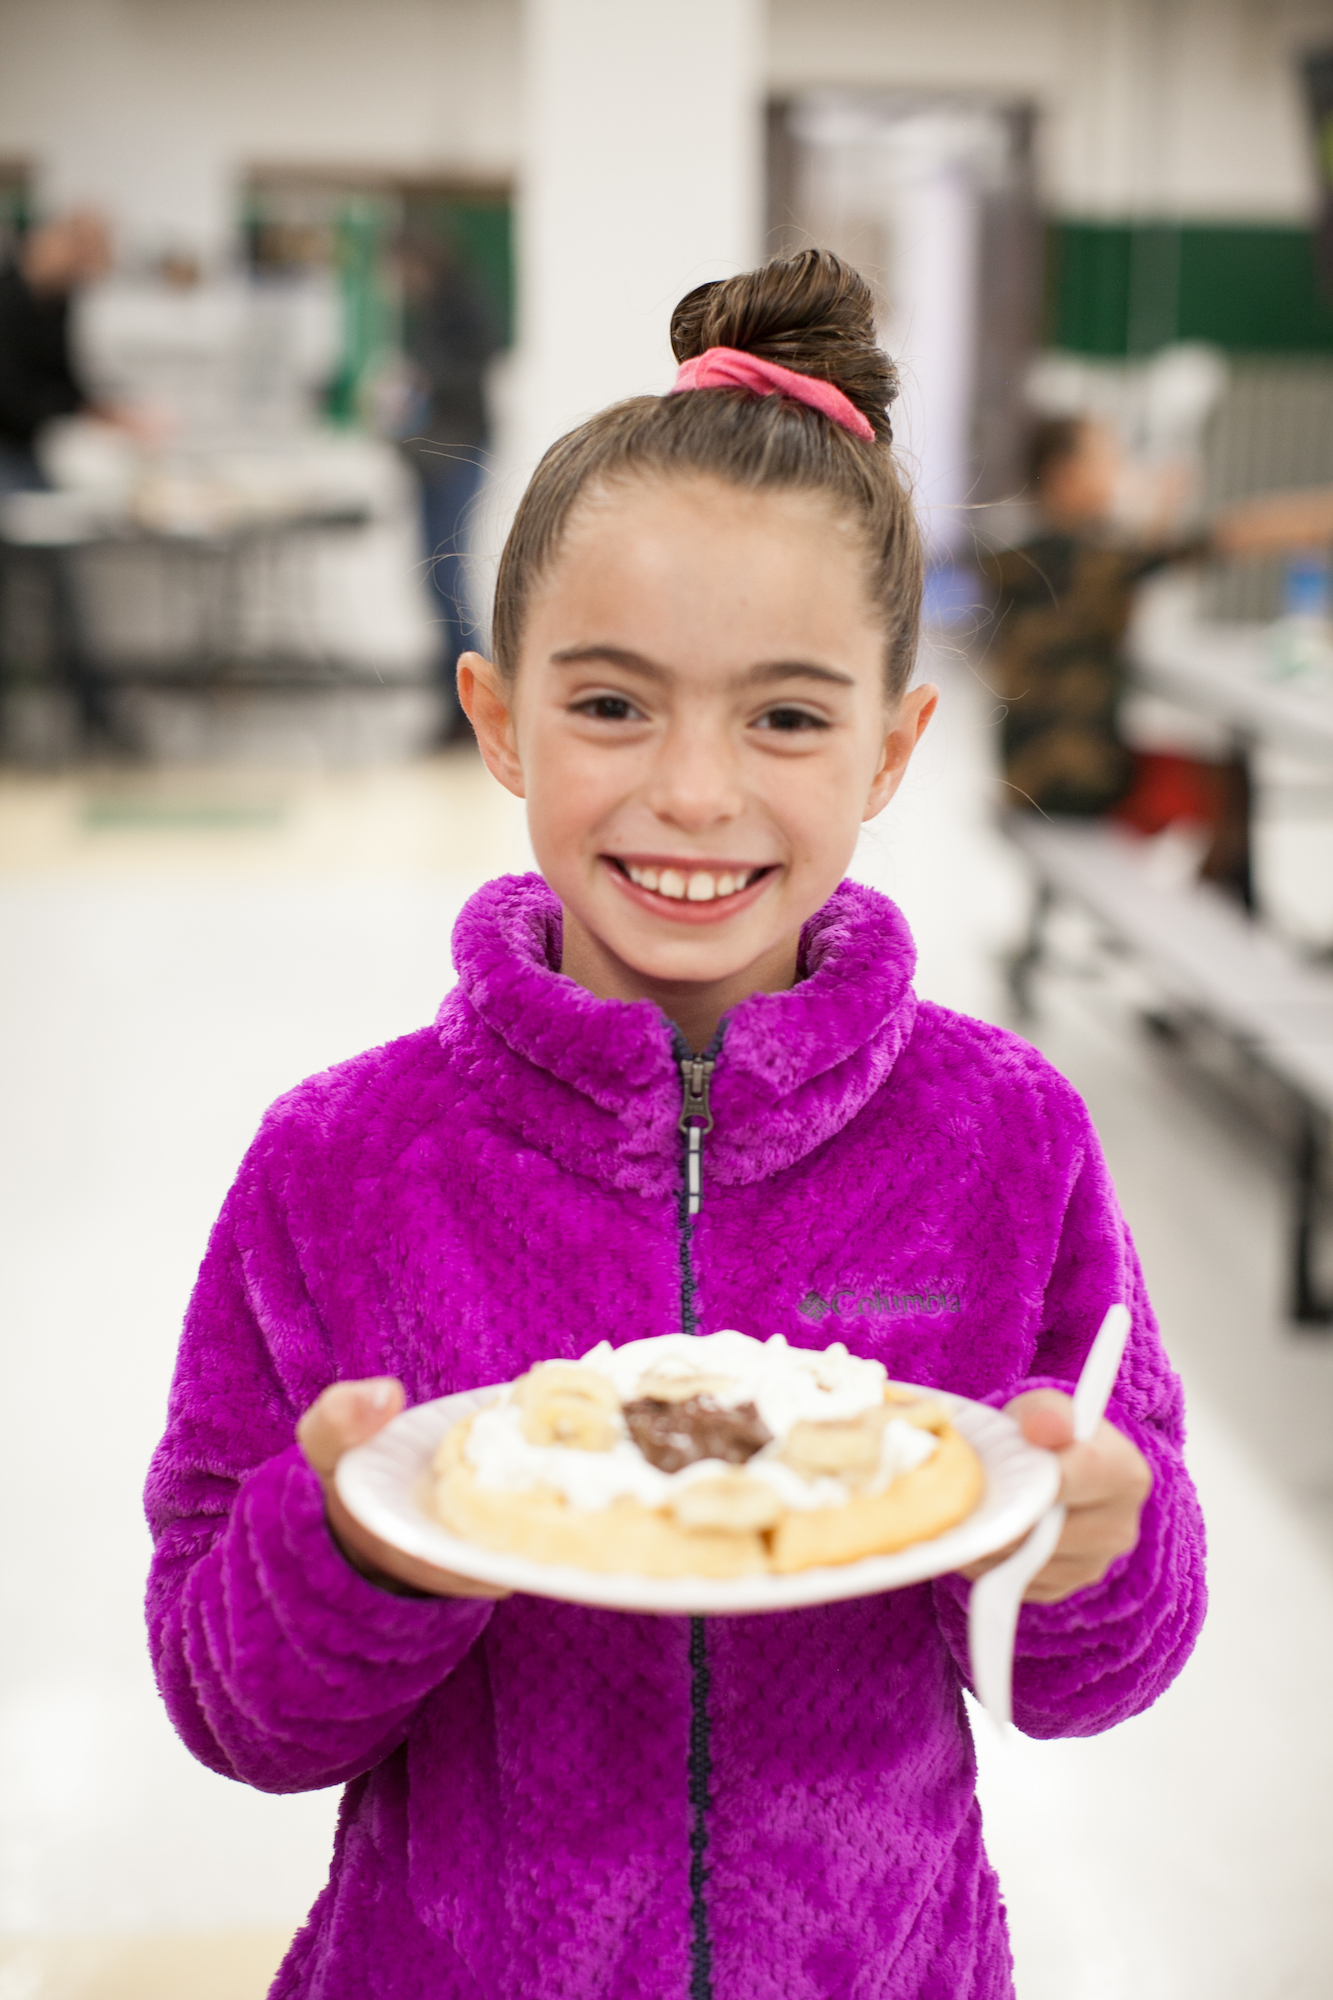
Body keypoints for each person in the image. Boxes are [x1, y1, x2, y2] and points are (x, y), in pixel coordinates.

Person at [144, 251, 1201, 2000]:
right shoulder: (341, 1166)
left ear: (889, 747)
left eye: (785, 715)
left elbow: (1084, 1673)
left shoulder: (1003, 1140)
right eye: (611, 703)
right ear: (496, 717)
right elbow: (232, 1710)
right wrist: (344, 1547)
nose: (693, 792)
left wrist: (1093, 1547)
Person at [983, 416, 1333, 901]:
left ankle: (1223, 913)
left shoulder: (1028, 558)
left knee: (1219, 776)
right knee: (1227, 782)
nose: (1120, 473)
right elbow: (1221, 538)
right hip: (1073, 786)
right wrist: (1314, 518)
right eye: (1106, 460)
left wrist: (1153, 521)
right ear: (1065, 475)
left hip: (1024, 777)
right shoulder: (1093, 560)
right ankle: (1225, 921)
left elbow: (1121, 569)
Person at [391, 229, 503, 740]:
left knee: (447, 575)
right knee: (433, 575)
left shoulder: (463, 307)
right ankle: (452, 689)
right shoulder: (426, 312)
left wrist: (425, 379)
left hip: (458, 452)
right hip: (431, 458)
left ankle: (470, 698)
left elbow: (471, 369)